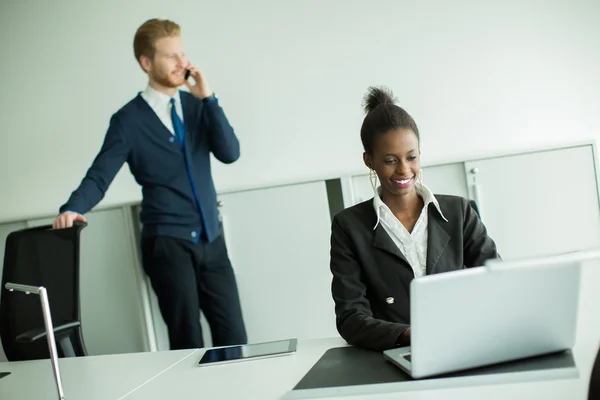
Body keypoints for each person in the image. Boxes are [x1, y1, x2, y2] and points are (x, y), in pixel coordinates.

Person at [52, 18, 247, 350]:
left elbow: (230, 153)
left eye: (182, 54)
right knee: (188, 342)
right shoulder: (128, 120)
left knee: (234, 337)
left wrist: (208, 99)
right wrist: (73, 208)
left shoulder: (196, 105)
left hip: (211, 239)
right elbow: (100, 175)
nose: (182, 63)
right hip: (167, 244)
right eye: (171, 56)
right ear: (146, 62)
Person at [329, 86, 499, 351]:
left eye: (411, 157)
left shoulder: (459, 211)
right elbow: (350, 318)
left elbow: (497, 282)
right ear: (369, 160)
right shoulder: (349, 227)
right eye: (389, 160)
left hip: (467, 345)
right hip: (397, 355)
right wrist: (412, 335)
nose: (404, 170)